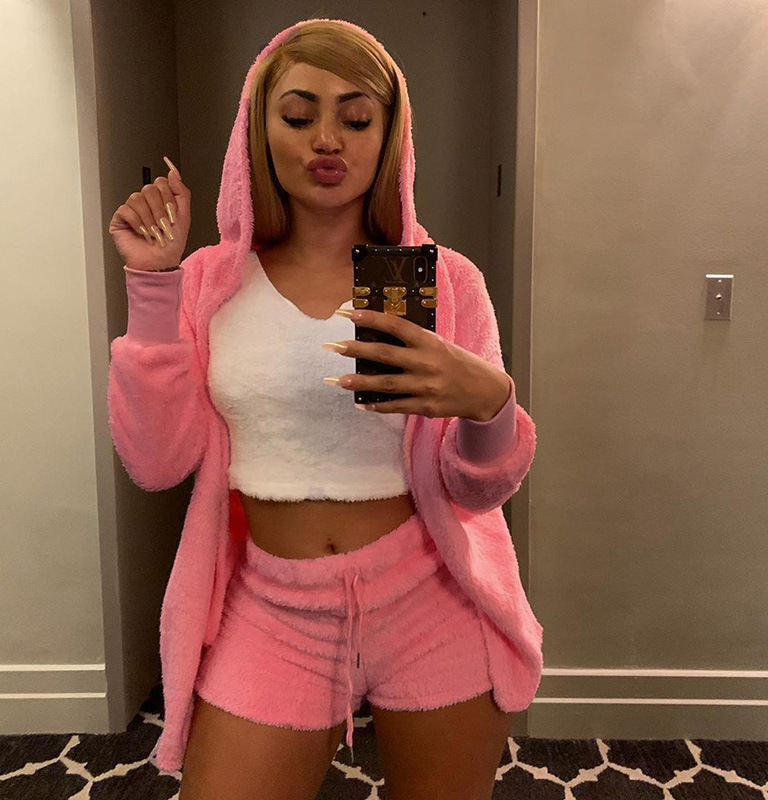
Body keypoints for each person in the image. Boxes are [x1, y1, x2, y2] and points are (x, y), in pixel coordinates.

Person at [107, 17, 543, 800]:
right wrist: (151, 285)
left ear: (390, 137)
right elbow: (155, 462)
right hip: (273, 607)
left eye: (357, 117)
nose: (327, 140)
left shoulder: (441, 280)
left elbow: (475, 488)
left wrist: (491, 406)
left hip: (429, 596)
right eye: (299, 114)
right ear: (259, 130)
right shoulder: (209, 282)